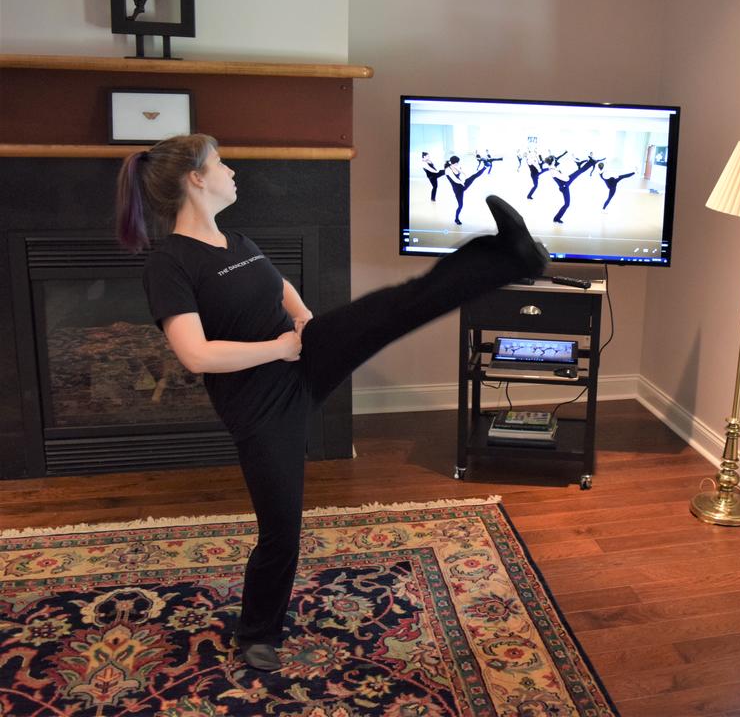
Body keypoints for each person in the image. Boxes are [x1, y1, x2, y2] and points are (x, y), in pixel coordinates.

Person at [115, 134, 550, 672]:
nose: (233, 171)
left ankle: (509, 256)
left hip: (301, 356)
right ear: (196, 178)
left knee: (390, 308)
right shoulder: (170, 262)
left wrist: (305, 323)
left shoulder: (238, 241)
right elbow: (195, 354)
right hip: (259, 404)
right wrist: (279, 348)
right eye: (221, 163)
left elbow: (281, 290)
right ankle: (257, 634)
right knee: (281, 530)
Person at [444, 155, 488, 225]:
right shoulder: (447, 170)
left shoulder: (456, 166)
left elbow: (463, 174)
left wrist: (463, 177)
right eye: (457, 163)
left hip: (462, 184)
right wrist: (462, 183)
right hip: (457, 189)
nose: (458, 164)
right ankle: (456, 219)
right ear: (454, 163)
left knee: (473, 176)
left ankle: (485, 166)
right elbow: (455, 179)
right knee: (460, 205)